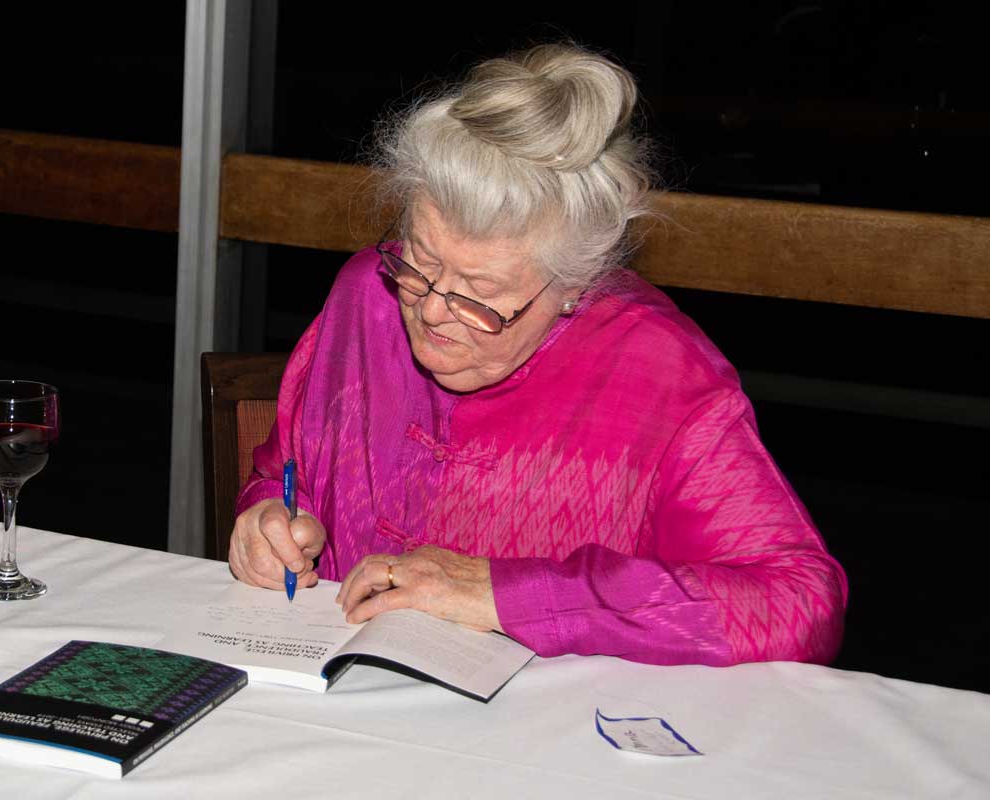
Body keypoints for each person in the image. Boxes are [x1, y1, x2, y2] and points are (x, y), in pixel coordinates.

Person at [228, 43, 847, 666]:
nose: (434, 309)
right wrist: (270, 521)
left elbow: (797, 604)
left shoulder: (661, 372)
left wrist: (505, 596)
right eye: (419, 261)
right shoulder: (368, 293)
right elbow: (285, 474)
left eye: (484, 295)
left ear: (575, 284)